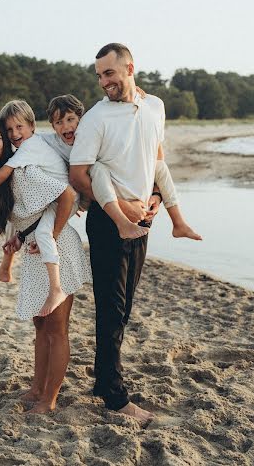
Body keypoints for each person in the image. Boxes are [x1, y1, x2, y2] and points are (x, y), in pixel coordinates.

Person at [69, 42, 178, 425]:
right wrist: (122, 206)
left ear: (130, 68)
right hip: (106, 222)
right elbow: (79, 174)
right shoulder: (96, 119)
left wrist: (154, 199)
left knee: (125, 307)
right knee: (111, 307)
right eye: (99, 75)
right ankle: (116, 398)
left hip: (143, 222)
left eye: (109, 73)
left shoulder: (154, 107)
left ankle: (102, 379)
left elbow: (157, 158)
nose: (103, 82)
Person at [0, 115, 92, 413]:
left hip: (57, 249)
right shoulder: (4, 174)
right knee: (40, 324)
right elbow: (35, 212)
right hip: (37, 249)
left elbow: (67, 195)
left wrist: (51, 233)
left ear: (9, 142)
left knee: (56, 327)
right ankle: (37, 388)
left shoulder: (23, 172)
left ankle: (49, 399)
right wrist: (22, 238)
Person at [43, 94, 201, 242]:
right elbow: (35, 142)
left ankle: (178, 222)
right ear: (53, 126)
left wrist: (156, 195)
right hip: (87, 192)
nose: (66, 126)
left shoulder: (90, 132)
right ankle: (122, 222)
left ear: (82, 119)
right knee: (98, 168)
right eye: (59, 122)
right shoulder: (53, 142)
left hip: (108, 187)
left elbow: (153, 152)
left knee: (159, 165)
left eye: (70, 119)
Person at [0, 100, 81, 317]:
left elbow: (6, 170)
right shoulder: (37, 141)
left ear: (32, 126)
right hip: (59, 197)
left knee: (44, 233)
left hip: (64, 198)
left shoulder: (28, 148)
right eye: (9, 129)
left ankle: (56, 288)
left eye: (19, 127)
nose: (14, 133)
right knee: (21, 215)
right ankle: (5, 268)